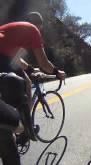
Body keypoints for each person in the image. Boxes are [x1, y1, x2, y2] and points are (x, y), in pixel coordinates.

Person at [0, 11, 66, 140]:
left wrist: (30, 69)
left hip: (3, 57)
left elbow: (16, 59)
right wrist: (58, 73)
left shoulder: (14, 29)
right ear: (39, 25)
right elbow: (44, 63)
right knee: (27, 84)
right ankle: (25, 128)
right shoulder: (33, 30)